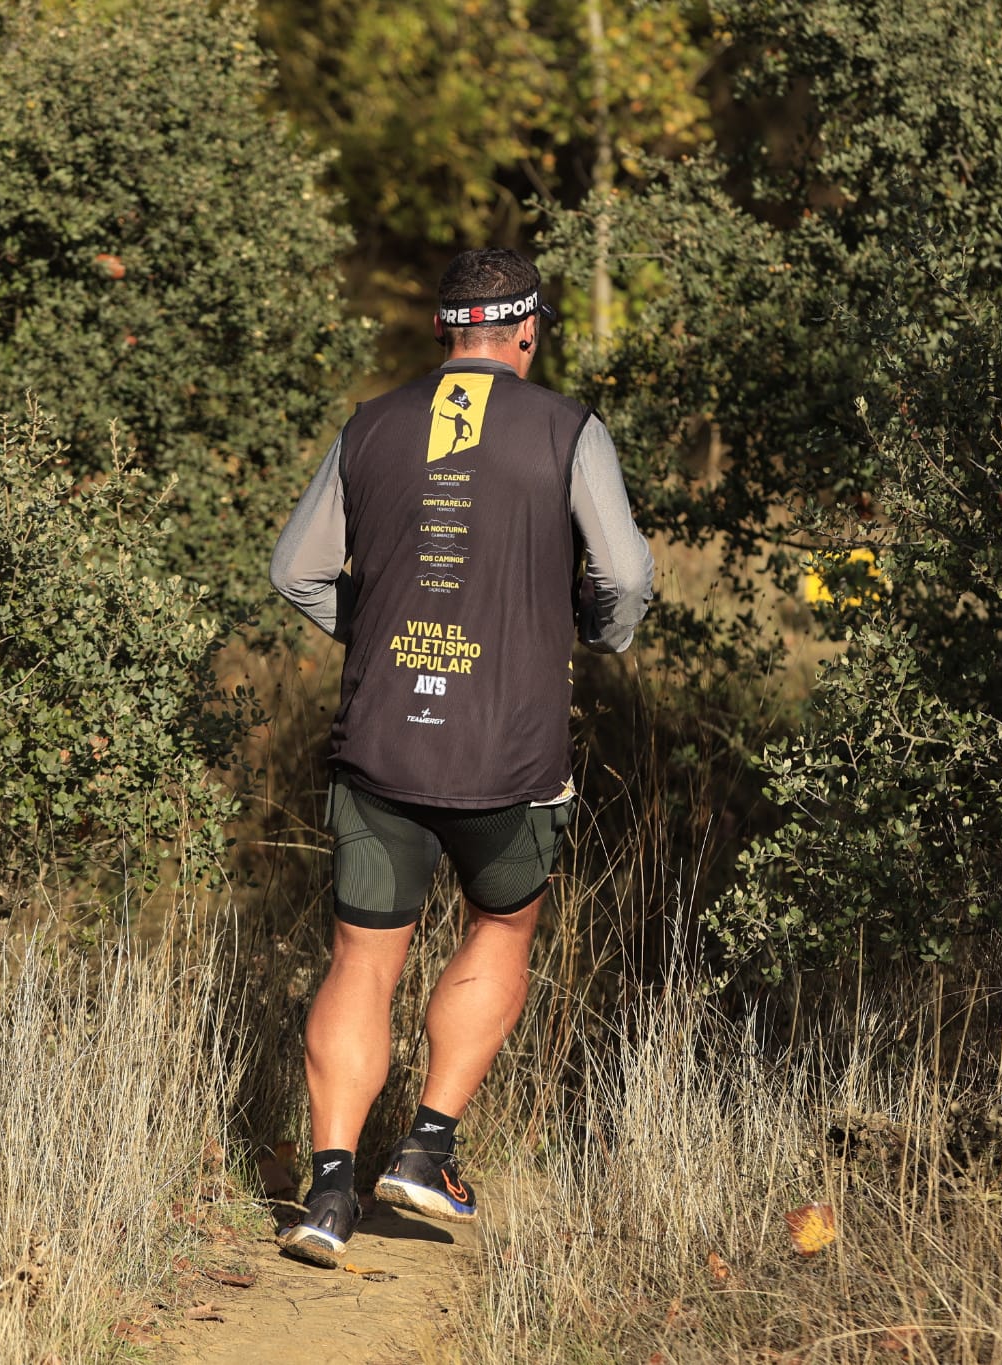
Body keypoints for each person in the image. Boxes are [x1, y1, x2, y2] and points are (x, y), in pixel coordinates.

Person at [266, 248, 655, 1267]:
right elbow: (622, 574)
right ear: (525, 333)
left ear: (443, 332)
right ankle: (427, 1146)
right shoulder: (567, 428)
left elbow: (294, 571)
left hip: (382, 738)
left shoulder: (372, 425)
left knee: (361, 957)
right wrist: (599, 639)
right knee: (500, 926)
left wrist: (375, 629)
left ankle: (328, 1194)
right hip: (508, 749)